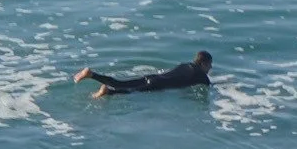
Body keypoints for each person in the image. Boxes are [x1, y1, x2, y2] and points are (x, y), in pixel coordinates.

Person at [75, 52, 213, 98]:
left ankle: (91, 74)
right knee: (131, 92)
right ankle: (108, 92)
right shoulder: (201, 76)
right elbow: (207, 87)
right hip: (158, 84)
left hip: (153, 77)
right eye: (209, 65)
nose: (210, 68)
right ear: (203, 64)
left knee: (121, 83)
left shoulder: (185, 65)